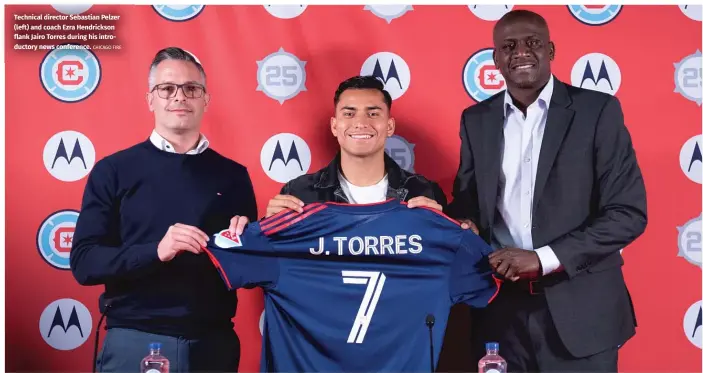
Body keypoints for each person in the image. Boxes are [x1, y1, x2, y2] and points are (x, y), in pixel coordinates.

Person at [445, 9, 647, 372]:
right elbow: (469, 198)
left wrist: (543, 259)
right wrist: (465, 222)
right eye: (509, 46)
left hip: (581, 311)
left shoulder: (597, 112)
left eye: (532, 43)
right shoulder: (475, 120)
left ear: (551, 50)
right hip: (499, 311)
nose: (521, 52)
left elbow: (627, 214)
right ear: (496, 60)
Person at [70, 47, 257, 373]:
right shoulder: (113, 170)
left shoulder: (233, 175)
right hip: (135, 337)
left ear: (205, 100)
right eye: (167, 88)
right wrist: (156, 250)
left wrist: (253, 241)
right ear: (151, 99)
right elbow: (85, 264)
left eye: (191, 89)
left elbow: (249, 273)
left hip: (214, 342)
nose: (179, 97)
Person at [229, 75, 453, 233]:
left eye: (373, 113)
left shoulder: (423, 192)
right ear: (335, 126)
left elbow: (450, 267)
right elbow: (271, 268)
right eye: (349, 113)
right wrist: (270, 229)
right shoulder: (299, 194)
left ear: (390, 126)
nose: (361, 123)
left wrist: (443, 229)